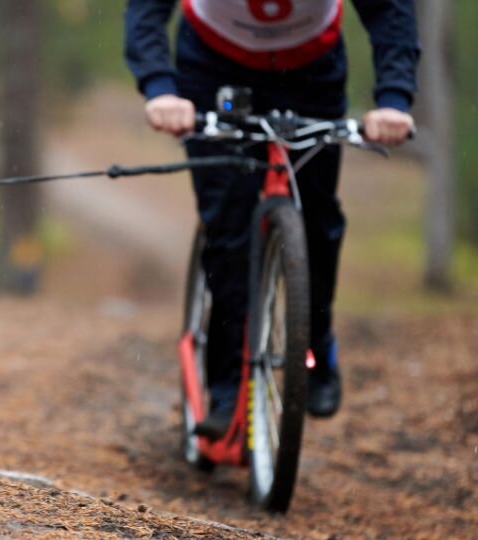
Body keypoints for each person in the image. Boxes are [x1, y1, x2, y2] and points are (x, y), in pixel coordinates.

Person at [124, 0, 418, 438]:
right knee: (228, 226)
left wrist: (394, 97)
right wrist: (160, 88)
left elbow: (389, 9)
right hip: (213, 64)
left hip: (310, 70)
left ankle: (316, 343)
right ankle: (224, 383)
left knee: (318, 218)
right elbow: (147, 9)